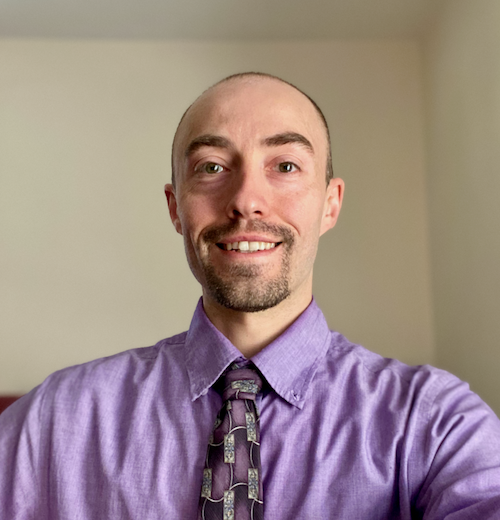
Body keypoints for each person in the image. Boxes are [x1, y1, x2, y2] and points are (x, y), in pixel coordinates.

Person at [1, 72, 500, 520]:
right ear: (176, 208)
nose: (246, 200)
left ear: (331, 205)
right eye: (213, 167)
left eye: (285, 166)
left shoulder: (434, 422)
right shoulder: (53, 421)